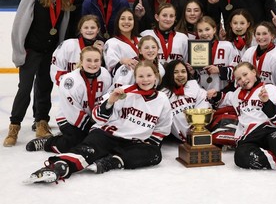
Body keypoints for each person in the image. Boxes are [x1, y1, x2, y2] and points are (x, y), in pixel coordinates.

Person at [24, 61, 173, 184]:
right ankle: (59, 166)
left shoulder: (162, 99)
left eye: (149, 75)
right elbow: (98, 117)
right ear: (135, 77)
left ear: (156, 77)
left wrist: (150, 144)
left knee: (155, 154)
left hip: (132, 142)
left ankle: (113, 161)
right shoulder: (123, 92)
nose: (145, 79)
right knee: (86, 150)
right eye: (141, 76)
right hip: (108, 135)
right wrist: (110, 102)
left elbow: (162, 127)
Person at [4, 0, 73, 147]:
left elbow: (62, 28)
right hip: (31, 51)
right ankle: (14, 125)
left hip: (49, 52)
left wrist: (58, 53)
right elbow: (18, 27)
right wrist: (19, 52)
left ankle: (41, 121)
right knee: (24, 88)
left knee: (44, 87)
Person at [25, 46, 112, 153]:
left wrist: (99, 122)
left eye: (96, 60)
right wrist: (90, 128)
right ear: (81, 61)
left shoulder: (105, 75)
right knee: (77, 140)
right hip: (69, 119)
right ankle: (48, 142)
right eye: (88, 60)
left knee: (101, 140)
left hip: (94, 118)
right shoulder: (70, 81)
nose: (93, 64)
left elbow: (106, 100)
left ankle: (69, 136)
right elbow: (71, 111)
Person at [159, 60, 211, 141]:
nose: (180, 75)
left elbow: (203, 106)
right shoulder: (162, 94)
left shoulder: (193, 85)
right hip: (177, 137)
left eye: (183, 71)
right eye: (175, 72)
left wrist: (196, 127)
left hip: (201, 130)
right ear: (169, 74)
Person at [241, 21, 276, 100]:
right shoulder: (249, 52)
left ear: (272, 36)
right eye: (258, 34)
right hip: (251, 97)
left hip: (271, 97)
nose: (261, 37)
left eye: (264, 34)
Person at [50, 14, 104, 86]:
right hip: (70, 89)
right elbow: (56, 70)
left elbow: (105, 74)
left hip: (94, 90)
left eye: (93, 27)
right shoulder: (68, 45)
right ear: (80, 30)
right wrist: (69, 85)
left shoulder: (103, 47)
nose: (89, 30)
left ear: (98, 30)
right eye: (86, 28)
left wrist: (100, 55)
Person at [194, 16, 240, 92]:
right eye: (200, 31)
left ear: (214, 30)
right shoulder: (195, 49)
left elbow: (237, 70)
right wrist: (192, 72)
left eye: (207, 29)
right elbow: (197, 76)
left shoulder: (227, 46)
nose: (204, 33)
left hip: (225, 92)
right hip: (203, 94)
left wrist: (220, 70)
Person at [103, 8, 139, 76]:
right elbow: (111, 69)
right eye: (122, 19)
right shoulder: (110, 43)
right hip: (123, 82)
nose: (126, 22)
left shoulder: (142, 40)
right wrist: (121, 62)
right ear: (117, 22)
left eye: (130, 19)